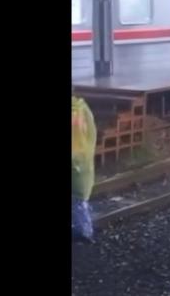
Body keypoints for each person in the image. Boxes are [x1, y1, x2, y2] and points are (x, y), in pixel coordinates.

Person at [72, 95, 97, 243]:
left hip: (76, 162)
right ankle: (84, 229)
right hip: (83, 160)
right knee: (79, 200)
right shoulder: (83, 108)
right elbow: (92, 132)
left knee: (77, 200)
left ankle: (83, 231)